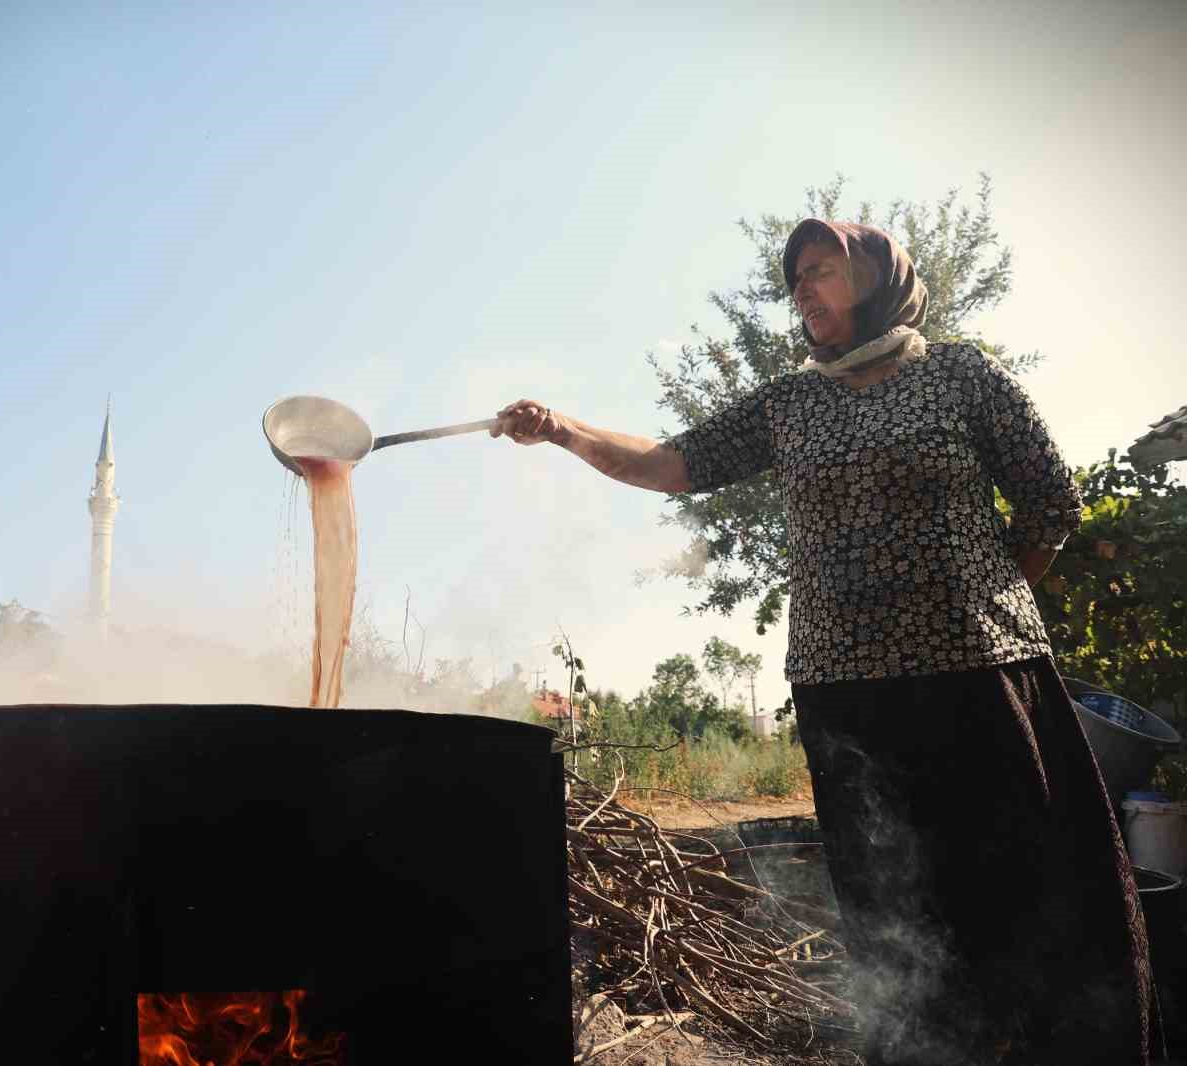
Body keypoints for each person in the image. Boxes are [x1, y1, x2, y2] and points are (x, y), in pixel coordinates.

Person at [493, 220, 1150, 1065]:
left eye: (822, 269)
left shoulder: (960, 373)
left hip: (978, 681)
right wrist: (562, 430)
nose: (803, 288)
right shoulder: (790, 403)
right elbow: (667, 462)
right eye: (796, 276)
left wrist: (979, 602)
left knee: (1019, 897)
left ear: (876, 277)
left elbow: (1052, 504)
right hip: (848, 697)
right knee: (892, 917)